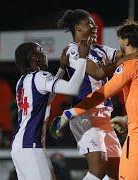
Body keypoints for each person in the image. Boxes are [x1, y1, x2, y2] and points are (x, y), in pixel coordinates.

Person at [56, 9, 138, 180]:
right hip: (85, 114)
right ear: (77, 28)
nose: (94, 26)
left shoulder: (102, 50)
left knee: (119, 174)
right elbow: (99, 73)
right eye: (89, 23)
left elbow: (131, 55)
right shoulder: (73, 50)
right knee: (98, 168)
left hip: (104, 116)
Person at [11, 41, 88, 180]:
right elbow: (72, 88)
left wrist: (62, 69)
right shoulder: (39, 76)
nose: (45, 54)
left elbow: (48, 97)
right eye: (41, 51)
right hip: (30, 146)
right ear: (34, 57)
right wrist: (83, 59)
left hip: (20, 147)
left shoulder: (21, 81)